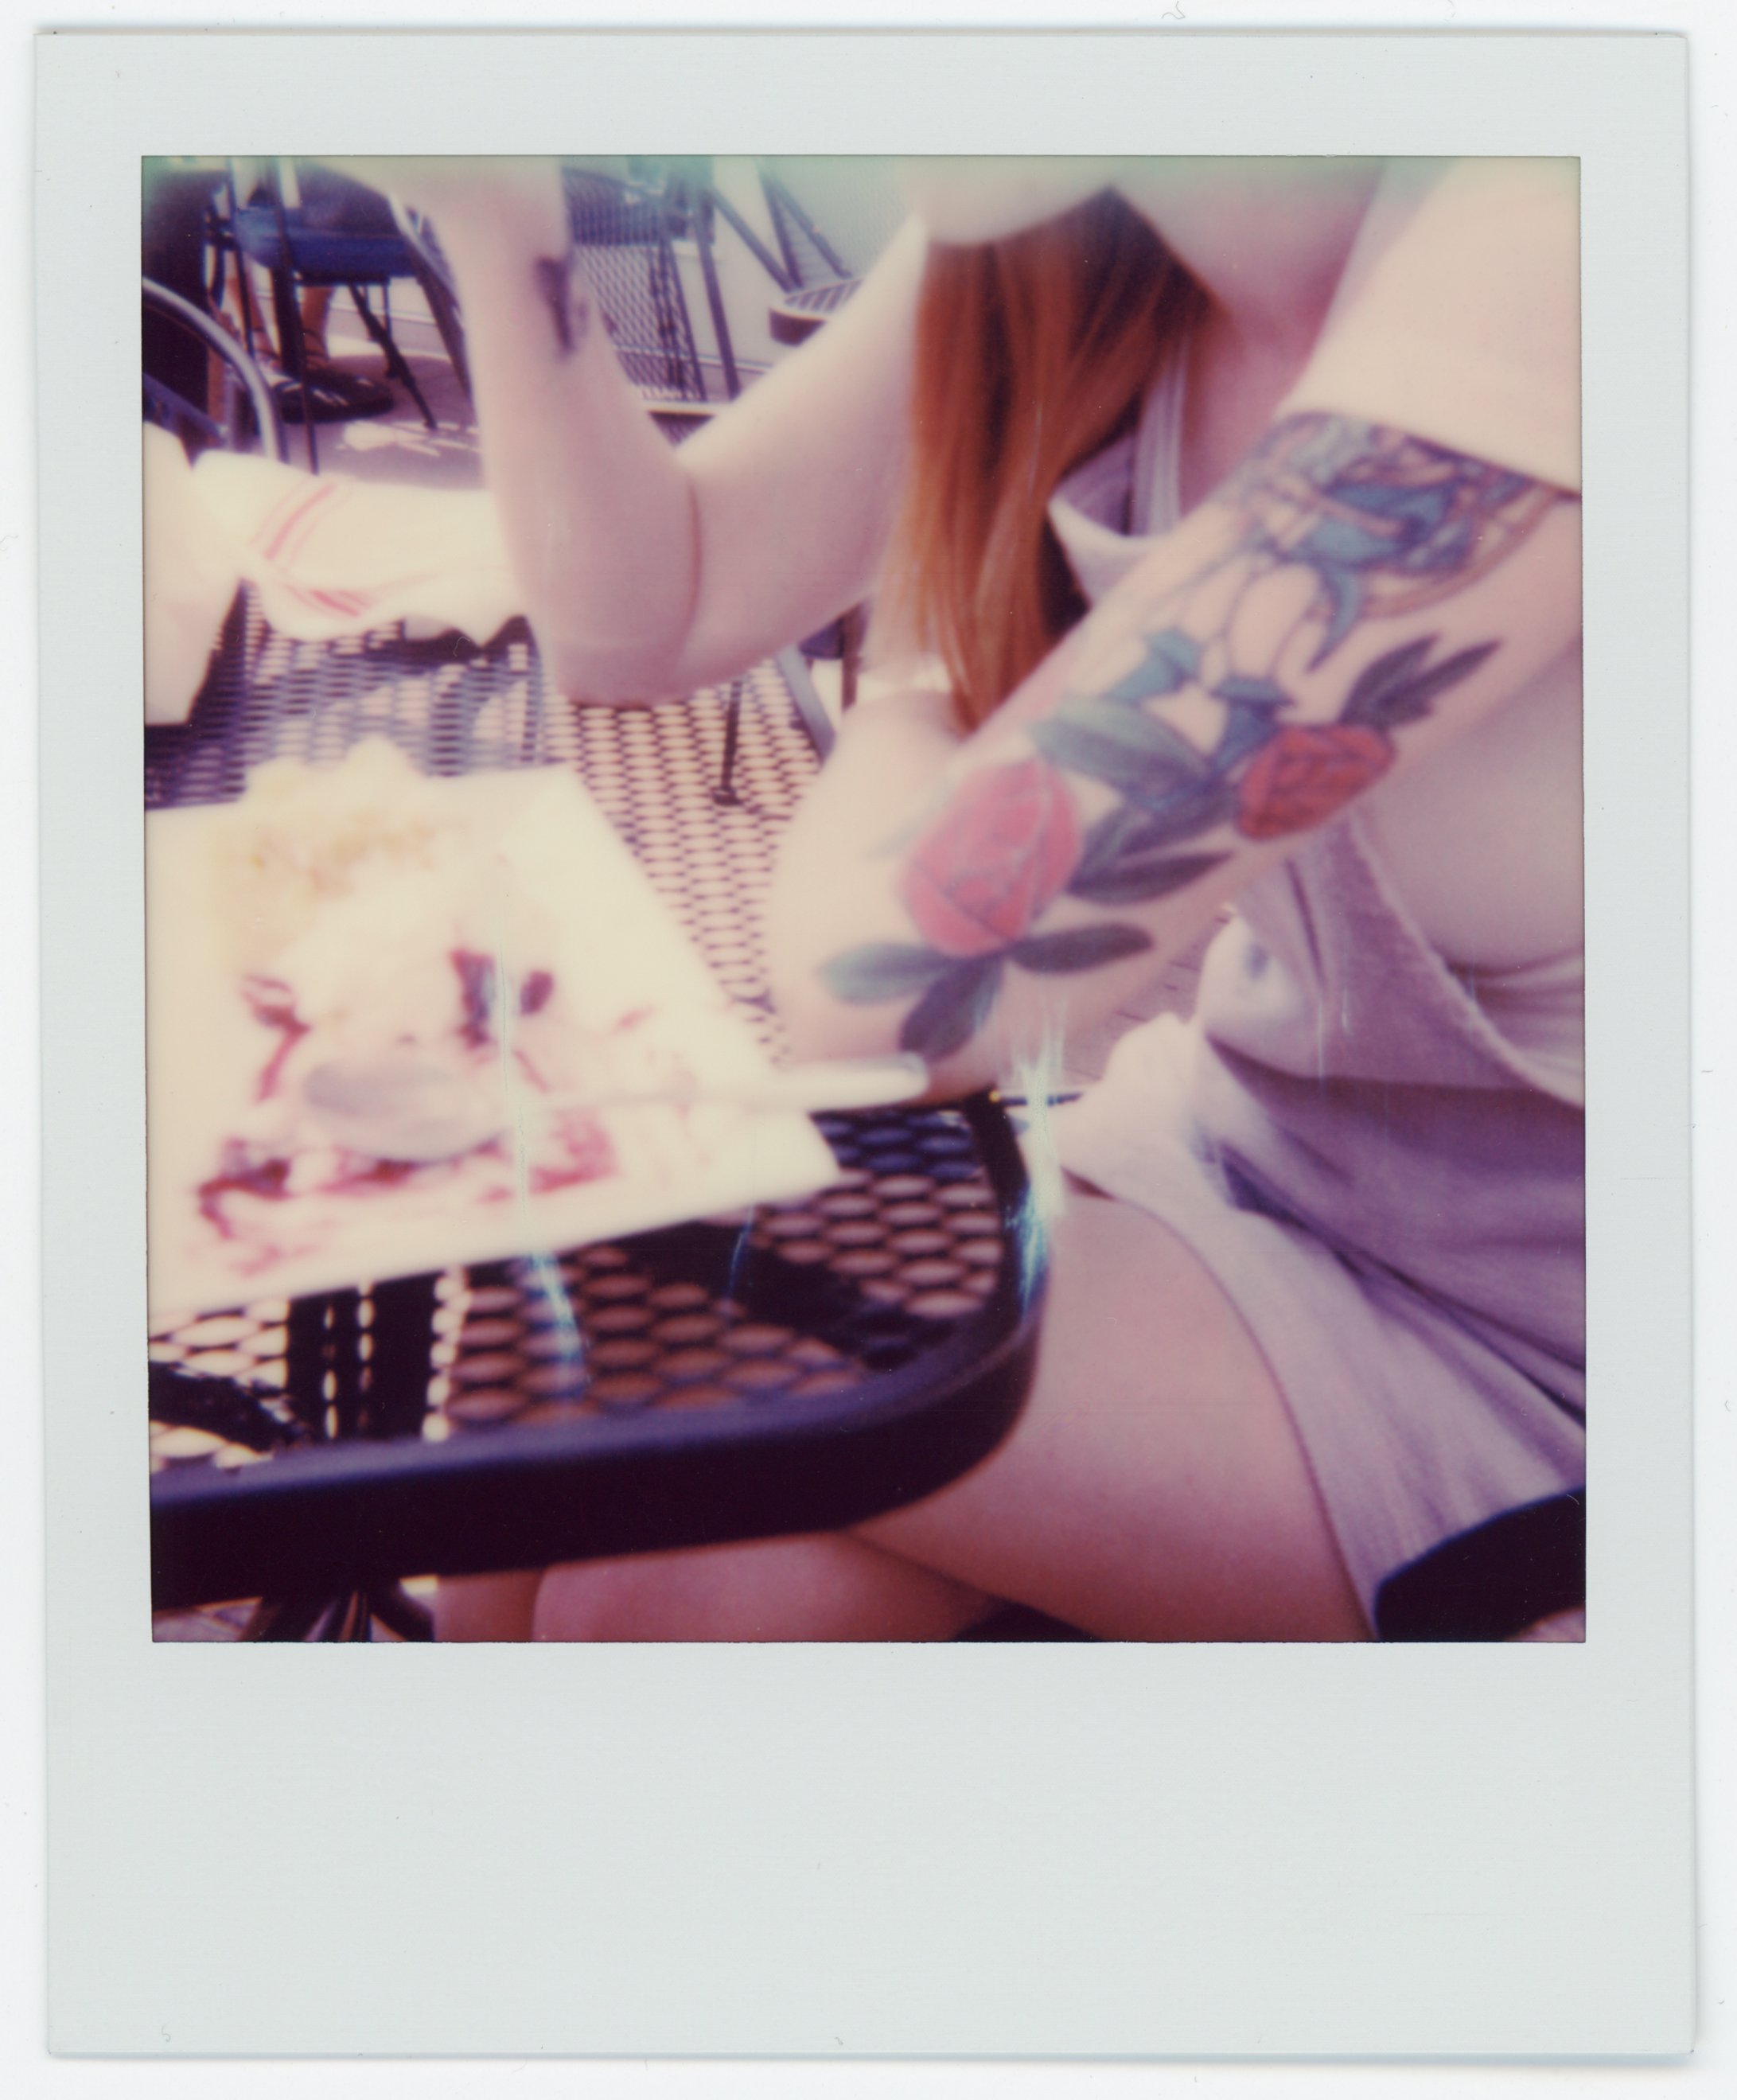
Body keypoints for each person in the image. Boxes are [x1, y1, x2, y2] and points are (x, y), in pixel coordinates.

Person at [344, 155, 1584, 1642]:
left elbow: (901, 990)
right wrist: (496, 207)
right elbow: (643, 609)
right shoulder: (1074, 228)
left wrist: (926, 671)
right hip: (1249, 1163)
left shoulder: (1551, 240)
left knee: (616, 1311)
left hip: (1571, 1348)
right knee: (656, 1579)